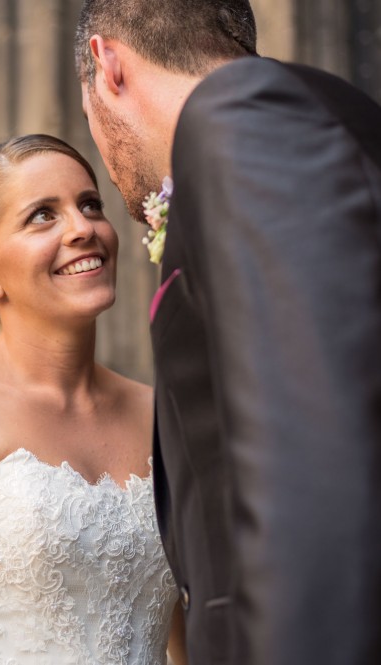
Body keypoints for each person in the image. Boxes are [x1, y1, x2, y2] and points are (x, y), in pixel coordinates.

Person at [75, 0, 381, 662]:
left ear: (108, 64)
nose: (102, 157)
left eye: (87, 121)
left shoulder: (243, 117)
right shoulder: (316, 113)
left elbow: (312, 461)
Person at [0, 135, 185, 664]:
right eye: (42, 216)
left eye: (90, 205)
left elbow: (188, 638)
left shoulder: (163, 415)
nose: (82, 228)